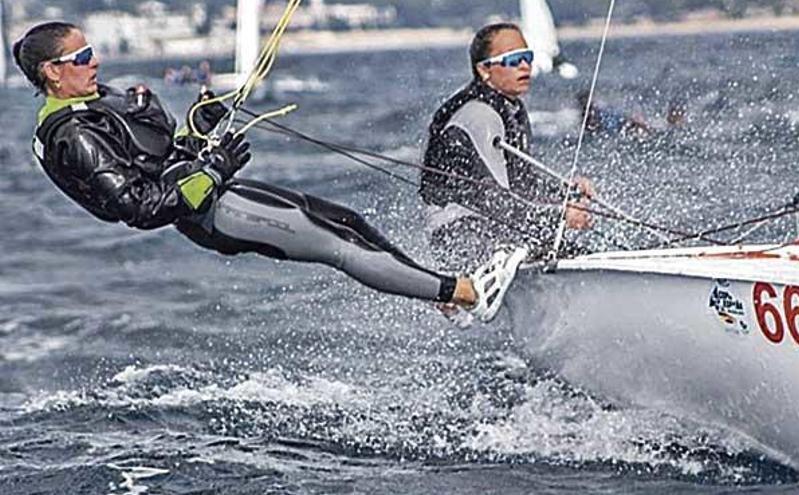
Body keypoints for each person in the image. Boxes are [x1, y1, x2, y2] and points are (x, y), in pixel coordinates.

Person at [14, 21, 524, 322]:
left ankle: (441, 289)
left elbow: (162, 156)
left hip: (216, 192)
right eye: (81, 57)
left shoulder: (96, 101)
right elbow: (141, 208)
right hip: (212, 214)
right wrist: (212, 169)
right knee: (336, 245)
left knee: (345, 220)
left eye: (90, 50)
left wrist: (200, 131)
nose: (95, 61)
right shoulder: (70, 136)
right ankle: (467, 293)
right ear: (52, 72)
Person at [420, 23, 593, 271]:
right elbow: (496, 202)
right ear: (484, 70)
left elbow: (523, 183)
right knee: (554, 252)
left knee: (577, 255)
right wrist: (560, 216)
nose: (525, 66)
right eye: (513, 59)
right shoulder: (480, 115)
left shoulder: (511, 108)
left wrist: (567, 193)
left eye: (527, 57)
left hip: (493, 227)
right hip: (459, 235)